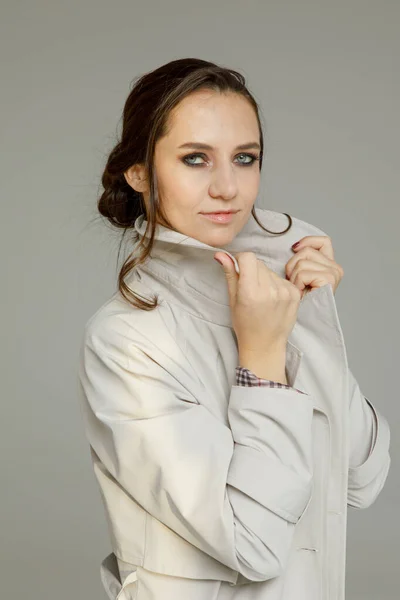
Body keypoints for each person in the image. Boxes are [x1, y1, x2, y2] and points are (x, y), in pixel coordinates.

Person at [77, 58, 391, 600]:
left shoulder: (266, 300)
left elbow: (362, 477)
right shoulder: (127, 339)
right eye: (195, 159)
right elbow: (254, 544)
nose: (228, 187)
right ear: (141, 173)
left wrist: (306, 319)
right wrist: (263, 359)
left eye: (245, 159)